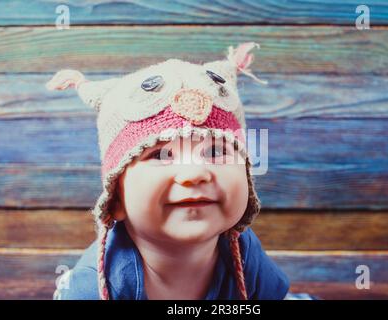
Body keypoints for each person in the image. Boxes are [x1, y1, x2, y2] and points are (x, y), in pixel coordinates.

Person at [46, 42, 290, 300]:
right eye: (161, 154)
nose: (195, 173)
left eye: (215, 152)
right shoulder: (95, 284)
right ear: (115, 198)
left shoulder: (243, 250)